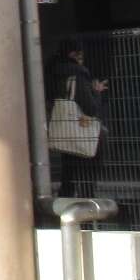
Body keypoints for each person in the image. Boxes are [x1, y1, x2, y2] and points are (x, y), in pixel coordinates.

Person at [46, 39, 107, 198]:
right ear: (74, 54)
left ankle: (64, 210)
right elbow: (91, 108)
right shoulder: (78, 75)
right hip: (81, 131)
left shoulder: (52, 72)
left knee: (68, 175)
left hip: (64, 129)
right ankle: (87, 211)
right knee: (87, 174)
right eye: (80, 55)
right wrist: (96, 92)